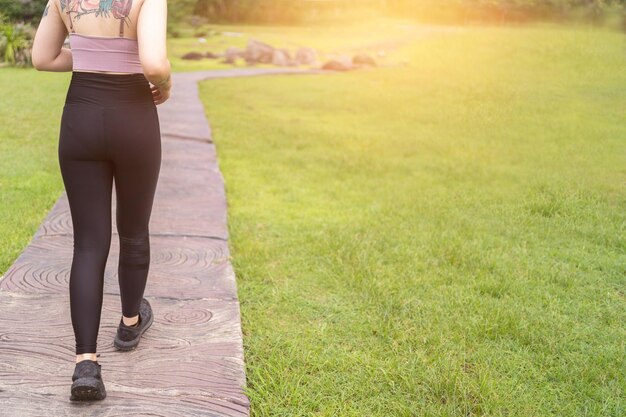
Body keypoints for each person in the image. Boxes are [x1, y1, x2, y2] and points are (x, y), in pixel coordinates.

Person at [31, 0, 172, 401]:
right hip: (134, 118)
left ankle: (85, 364)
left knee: (89, 244)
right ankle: (129, 323)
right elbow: (155, 63)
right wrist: (166, 84)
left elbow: (42, 58)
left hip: (81, 117)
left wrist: (91, 55)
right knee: (134, 230)